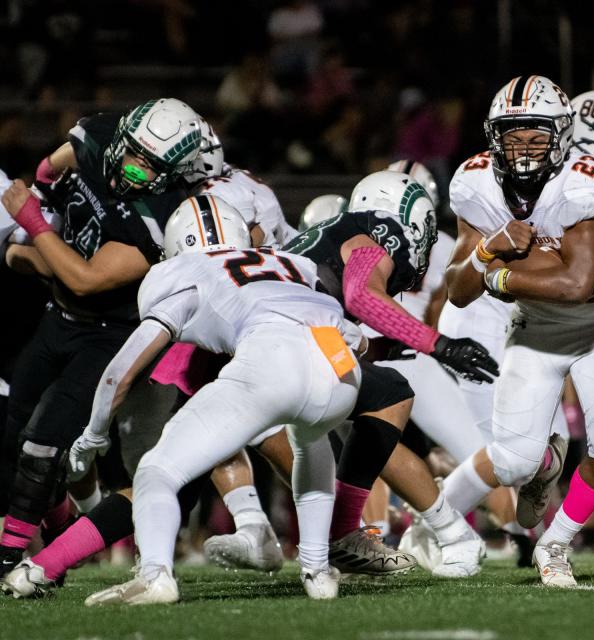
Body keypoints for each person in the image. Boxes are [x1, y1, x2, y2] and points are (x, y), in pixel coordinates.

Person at [68, 196, 358, 604]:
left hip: (273, 361)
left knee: (156, 470)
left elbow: (122, 369)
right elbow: (355, 336)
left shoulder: (182, 270)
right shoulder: (288, 261)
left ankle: (154, 576)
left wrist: (94, 433)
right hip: (340, 365)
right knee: (311, 440)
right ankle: (317, 569)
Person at [440, 75, 594, 587]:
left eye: (536, 135)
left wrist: (500, 274)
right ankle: (520, 478)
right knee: (512, 461)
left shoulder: (583, 180)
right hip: (534, 327)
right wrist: (488, 250)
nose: (525, 147)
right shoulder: (475, 183)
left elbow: (578, 283)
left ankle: (554, 545)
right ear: (494, 138)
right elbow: (457, 289)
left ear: (561, 135)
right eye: (513, 136)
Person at [0, 99, 201, 577]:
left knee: (44, 444)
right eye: (133, 153)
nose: (135, 168)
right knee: (14, 436)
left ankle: (11, 555)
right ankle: (63, 524)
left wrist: (32, 222)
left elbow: (86, 280)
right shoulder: (99, 137)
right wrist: (46, 194)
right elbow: (50, 166)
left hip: (110, 336)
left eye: (152, 164)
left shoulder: (162, 215)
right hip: (58, 319)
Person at [285, 170, 497, 577]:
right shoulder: (373, 232)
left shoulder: (326, 233)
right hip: (287, 343)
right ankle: (341, 535)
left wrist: (379, 347)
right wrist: (440, 345)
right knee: (390, 395)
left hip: (276, 340)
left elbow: (325, 315)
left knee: (319, 431)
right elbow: (361, 295)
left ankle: (313, 544)